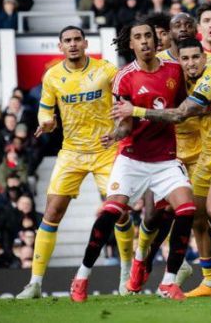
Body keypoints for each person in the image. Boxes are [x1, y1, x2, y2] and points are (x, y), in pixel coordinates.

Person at [115, 38, 211, 296]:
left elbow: (178, 114)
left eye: (195, 58)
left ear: (204, 58)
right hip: (207, 153)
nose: (190, 63)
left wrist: (136, 111)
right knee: (195, 214)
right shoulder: (188, 81)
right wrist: (208, 110)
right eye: (185, 59)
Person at [70, 17, 193, 302]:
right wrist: (115, 134)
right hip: (132, 157)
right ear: (131, 43)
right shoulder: (124, 77)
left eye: (149, 36)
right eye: (139, 37)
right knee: (110, 212)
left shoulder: (175, 70)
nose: (145, 41)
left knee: (186, 209)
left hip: (166, 158)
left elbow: (183, 109)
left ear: (156, 39)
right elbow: (124, 123)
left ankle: (169, 281)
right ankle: (81, 276)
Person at [16, 26, 132, 299]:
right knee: (52, 213)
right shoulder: (53, 76)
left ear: (85, 43)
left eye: (77, 39)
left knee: (122, 212)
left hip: (106, 150)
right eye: (67, 41)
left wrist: (117, 131)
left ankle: (126, 273)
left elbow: (125, 104)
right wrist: (47, 122)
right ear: (60, 47)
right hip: (72, 153)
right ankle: (34, 282)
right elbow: (45, 111)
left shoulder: (106, 70)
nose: (72, 44)